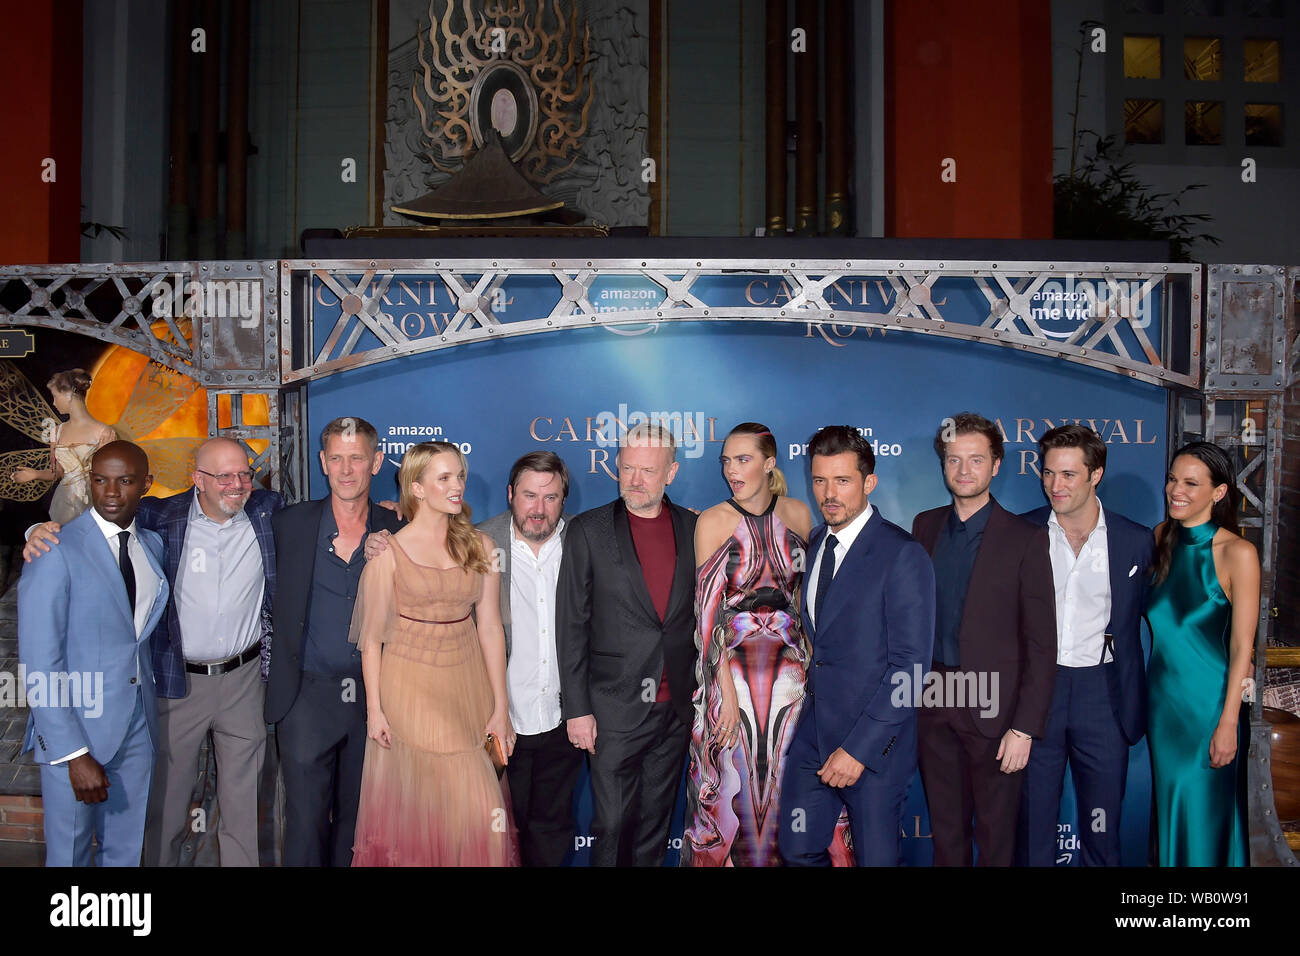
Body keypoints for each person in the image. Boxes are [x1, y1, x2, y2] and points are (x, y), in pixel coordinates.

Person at [23, 436, 281, 866]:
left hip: (221, 690)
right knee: (137, 825)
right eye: (223, 476)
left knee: (222, 816)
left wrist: (386, 515)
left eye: (244, 474)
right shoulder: (152, 522)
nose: (236, 484)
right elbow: (40, 661)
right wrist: (35, 530)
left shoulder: (261, 512)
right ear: (197, 479)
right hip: (161, 693)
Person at [683, 422, 852, 866]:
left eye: (743, 459)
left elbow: (807, 604)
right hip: (731, 676)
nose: (731, 471)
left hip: (792, 683)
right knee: (729, 791)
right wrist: (721, 693)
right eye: (726, 461)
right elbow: (706, 613)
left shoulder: (798, 513)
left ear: (769, 462)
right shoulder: (712, 521)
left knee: (789, 793)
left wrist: (815, 672)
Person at [348, 441, 516, 866]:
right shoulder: (388, 552)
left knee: (479, 810)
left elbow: (491, 628)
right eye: (444, 478)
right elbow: (372, 638)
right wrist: (374, 710)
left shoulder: (480, 545)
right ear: (417, 488)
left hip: (466, 685)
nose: (457, 485)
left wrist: (500, 707)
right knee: (419, 811)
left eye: (459, 475)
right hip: (408, 687)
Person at [777, 425, 935, 867]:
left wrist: (859, 750)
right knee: (796, 849)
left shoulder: (902, 554)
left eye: (842, 481)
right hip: (815, 736)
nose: (829, 493)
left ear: (869, 482)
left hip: (875, 745)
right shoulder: (815, 543)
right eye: (819, 480)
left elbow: (910, 669)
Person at [911, 412, 1056, 867]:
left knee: (996, 842)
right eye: (954, 460)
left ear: (996, 466)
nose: (964, 470)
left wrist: (1025, 727)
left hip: (996, 711)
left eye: (976, 460)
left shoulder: (1026, 539)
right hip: (934, 701)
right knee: (947, 838)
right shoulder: (924, 526)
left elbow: (1041, 645)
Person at [19, 441, 167, 866]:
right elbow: (39, 664)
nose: (111, 492)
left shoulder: (151, 546)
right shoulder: (54, 550)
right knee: (69, 856)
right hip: (76, 733)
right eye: (99, 480)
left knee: (125, 851)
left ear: (146, 485)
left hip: (138, 729)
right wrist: (71, 753)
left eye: (124, 481)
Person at [557, 422, 698, 867]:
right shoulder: (587, 529)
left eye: (648, 471)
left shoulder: (696, 527)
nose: (635, 480)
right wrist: (577, 709)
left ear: (671, 472)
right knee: (612, 824)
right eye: (628, 468)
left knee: (655, 824)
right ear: (616, 465)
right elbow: (572, 624)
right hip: (612, 707)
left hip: (676, 708)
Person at [264, 416, 401, 866]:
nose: (346, 470)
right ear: (322, 462)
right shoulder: (287, 524)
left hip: (377, 698)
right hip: (306, 695)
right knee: (303, 820)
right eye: (337, 459)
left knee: (361, 820)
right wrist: (35, 530)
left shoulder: (400, 529)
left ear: (377, 462)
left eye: (357, 458)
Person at [1017, 424, 1154, 867]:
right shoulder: (1021, 534)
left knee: (1102, 829)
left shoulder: (1136, 541)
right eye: (1049, 473)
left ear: (1096, 475)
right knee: (1034, 829)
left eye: (1070, 475)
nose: (1056, 486)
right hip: (1039, 693)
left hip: (1103, 694)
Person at [1146, 441, 1255, 867]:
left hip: (1209, 709)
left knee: (1204, 817)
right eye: (1173, 479)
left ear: (1219, 492)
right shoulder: (1160, 538)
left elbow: (1243, 645)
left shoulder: (1237, 553)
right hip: (1162, 708)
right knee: (1170, 812)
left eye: (1191, 482)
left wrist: (1229, 722)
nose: (1176, 489)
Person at [477, 451, 582, 866]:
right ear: (510, 495)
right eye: (528, 496)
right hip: (497, 719)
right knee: (495, 831)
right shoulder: (477, 542)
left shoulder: (584, 539)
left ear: (563, 500)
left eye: (550, 497)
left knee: (553, 829)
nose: (538, 509)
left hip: (564, 716)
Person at [12, 368, 116, 523]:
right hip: (64, 502)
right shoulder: (56, 432)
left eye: (55, 396)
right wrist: (35, 474)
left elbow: (109, 475)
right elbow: (57, 472)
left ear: (69, 395)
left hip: (94, 502)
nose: (53, 403)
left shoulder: (104, 432)